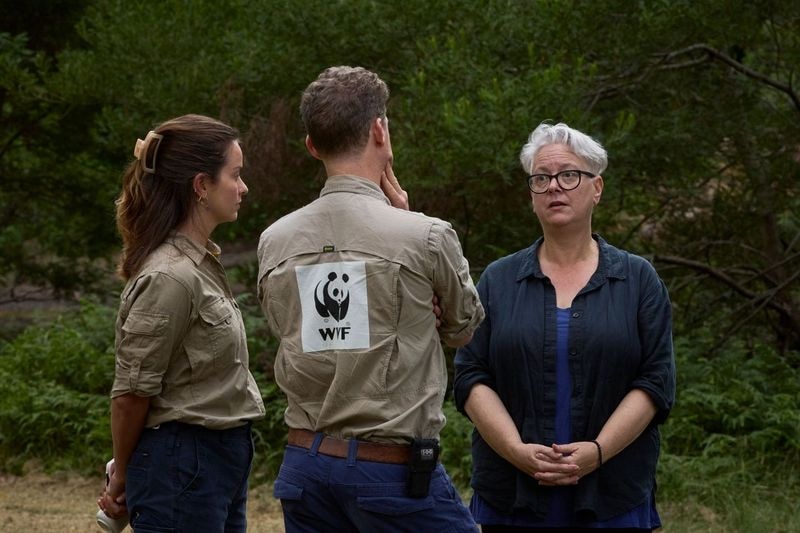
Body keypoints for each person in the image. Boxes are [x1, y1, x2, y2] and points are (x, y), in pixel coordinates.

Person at [257, 66, 485, 532]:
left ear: (312, 146)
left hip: (304, 467)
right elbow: (463, 330)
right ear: (380, 130)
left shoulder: (274, 240)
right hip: (391, 473)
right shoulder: (425, 235)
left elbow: (293, 330)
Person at [453, 122, 676, 531]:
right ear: (531, 195)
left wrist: (598, 451)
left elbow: (656, 380)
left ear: (597, 188)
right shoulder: (498, 281)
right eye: (541, 178)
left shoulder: (638, 279)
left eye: (568, 174)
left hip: (612, 496)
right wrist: (516, 450)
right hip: (512, 495)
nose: (554, 186)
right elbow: (470, 374)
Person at [97, 114, 266, 532]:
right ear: (201, 186)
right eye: (235, 175)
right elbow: (131, 394)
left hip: (216, 461)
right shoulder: (170, 276)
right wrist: (122, 475)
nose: (243, 187)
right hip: (183, 464)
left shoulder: (201, 263)